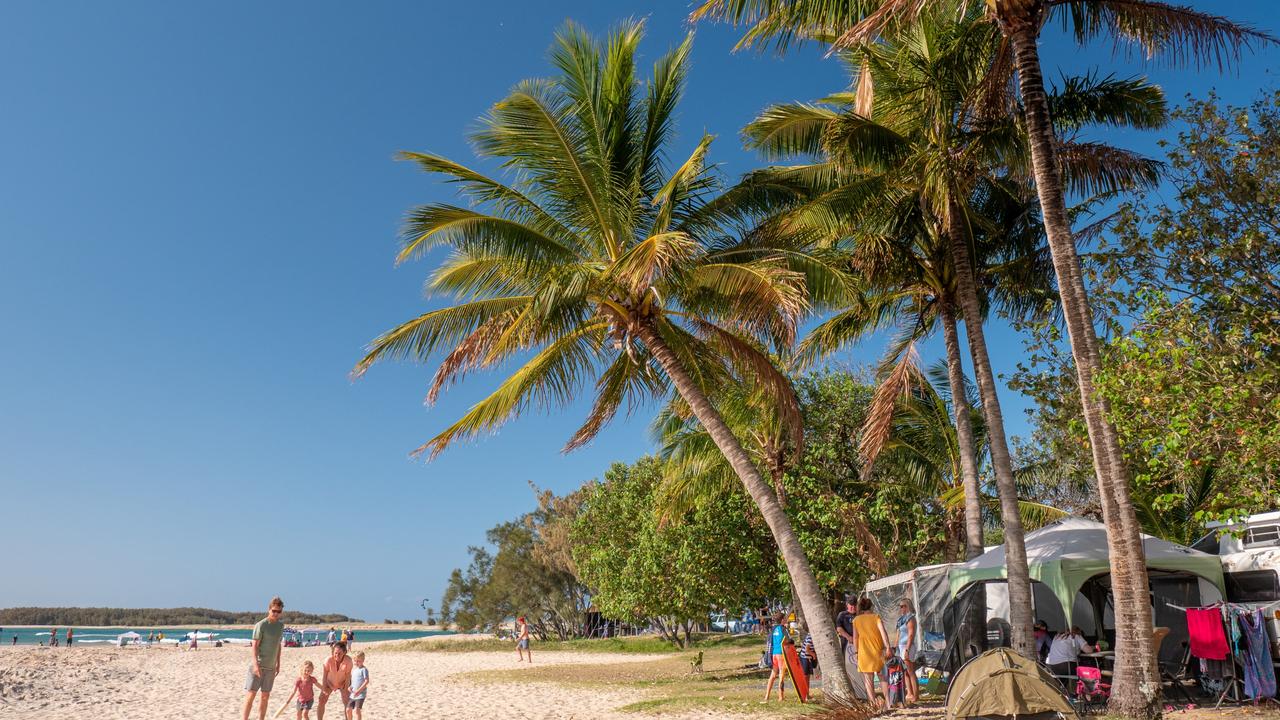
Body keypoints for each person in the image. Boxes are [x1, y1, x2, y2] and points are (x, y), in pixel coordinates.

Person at [242, 596, 286, 720]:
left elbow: (278, 645)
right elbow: (254, 646)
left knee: (265, 696)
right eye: (274, 611)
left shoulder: (280, 626)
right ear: (269, 610)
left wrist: (278, 663)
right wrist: (256, 665)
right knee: (251, 695)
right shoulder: (261, 625)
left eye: (279, 611)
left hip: (271, 667)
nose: (276, 613)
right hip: (258, 666)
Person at [851, 596, 892, 709]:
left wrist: (856, 652)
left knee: (868, 681)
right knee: (883, 678)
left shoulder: (856, 620)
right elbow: (883, 633)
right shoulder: (876, 617)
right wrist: (888, 647)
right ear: (871, 607)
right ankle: (888, 703)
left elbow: (855, 638)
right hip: (878, 652)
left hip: (864, 653)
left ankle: (873, 704)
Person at [318, 641, 353, 720]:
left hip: (343, 682)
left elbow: (348, 676)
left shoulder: (348, 661)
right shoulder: (328, 660)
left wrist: (346, 689)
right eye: (335, 653)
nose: (337, 655)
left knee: (347, 702)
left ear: (344, 652)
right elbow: (324, 676)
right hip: (329, 682)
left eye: (339, 653)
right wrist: (324, 689)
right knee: (321, 700)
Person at [762, 611, 788, 702]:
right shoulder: (783, 628)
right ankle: (781, 697)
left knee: (773, 675)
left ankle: (767, 696)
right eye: (785, 618)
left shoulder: (773, 629)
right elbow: (788, 640)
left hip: (773, 654)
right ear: (782, 620)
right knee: (781, 674)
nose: (786, 620)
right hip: (781, 653)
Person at [896, 599, 918, 703]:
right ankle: (909, 693)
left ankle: (916, 695)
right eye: (900, 606)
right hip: (901, 646)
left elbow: (911, 634)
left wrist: (907, 649)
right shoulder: (901, 619)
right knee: (905, 672)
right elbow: (898, 634)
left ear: (907, 606)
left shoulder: (910, 618)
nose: (901, 608)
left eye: (903, 606)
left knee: (910, 671)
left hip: (907, 646)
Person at [347, 651, 370, 720]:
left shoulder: (364, 669)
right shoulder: (354, 670)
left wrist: (359, 691)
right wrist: (350, 687)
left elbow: (366, 681)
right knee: (348, 709)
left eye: (358, 661)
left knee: (357, 710)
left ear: (363, 660)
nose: (356, 663)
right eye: (355, 661)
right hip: (353, 694)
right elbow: (353, 682)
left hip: (360, 694)